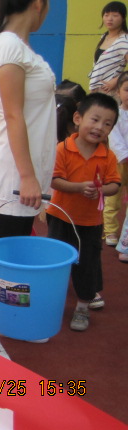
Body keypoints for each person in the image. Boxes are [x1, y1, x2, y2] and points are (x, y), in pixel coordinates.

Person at [0, 0, 55, 359]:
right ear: (40, 2)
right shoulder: (8, 46)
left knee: (17, 248)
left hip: (27, 170)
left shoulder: (18, 46)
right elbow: (15, 117)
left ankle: (11, 322)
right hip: (14, 173)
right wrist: (26, 176)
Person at [46, 93, 120, 330]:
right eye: (95, 120)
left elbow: (114, 185)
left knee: (87, 263)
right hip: (60, 216)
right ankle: (52, 301)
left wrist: (101, 190)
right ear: (78, 118)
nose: (100, 127)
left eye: (107, 124)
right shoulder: (62, 149)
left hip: (90, 222)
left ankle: (82, 307)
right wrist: (79, 188)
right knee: (56, 261)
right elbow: (55, 180)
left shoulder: (108, 156)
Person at [103, 71, 128, 246]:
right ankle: (110, 230)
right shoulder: (116, 115)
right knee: (113, 197)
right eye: (127, 90)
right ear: (118, 92)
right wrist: (124, 156)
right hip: (118, 163)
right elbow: (114, 138)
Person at [88, 1, 128, 96]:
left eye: (115, 15)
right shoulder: (104, 37)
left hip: (111, 91)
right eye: (106, 15)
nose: (110, 19)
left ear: (123, 18)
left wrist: (116, 80)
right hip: (96, 89)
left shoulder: (124, 40)